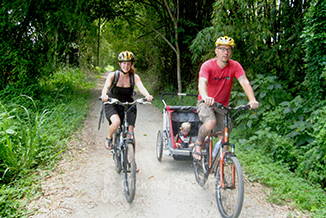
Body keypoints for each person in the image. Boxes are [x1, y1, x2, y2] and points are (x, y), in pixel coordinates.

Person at [192, 36, 259, 161]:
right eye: (222, 49)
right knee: (211, 122)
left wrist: (252, 99)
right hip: (205, 102)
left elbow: (244, 82)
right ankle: (198, 145)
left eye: (228, 49)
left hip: (221, 105)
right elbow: (202, 82)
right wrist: (206, 97)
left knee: (225, 133)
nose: (225, 52)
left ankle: (221, 170)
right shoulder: (207, 65)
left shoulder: (235, 66)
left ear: (231, 52)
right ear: (216, 50)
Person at [101, 51, 153, 171]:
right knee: (116, 122)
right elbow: (106, 87)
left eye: (128, 64)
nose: (126, 66)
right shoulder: (113, 75)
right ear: (120, 64)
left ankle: (131, 160)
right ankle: (109, 137)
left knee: (130, 131)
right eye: (124, 63)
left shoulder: (133, 77)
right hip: (112, 102)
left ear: (131, 65)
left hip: (128, 104)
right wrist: (104, 95)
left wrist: (148, 95)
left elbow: (141, 87)